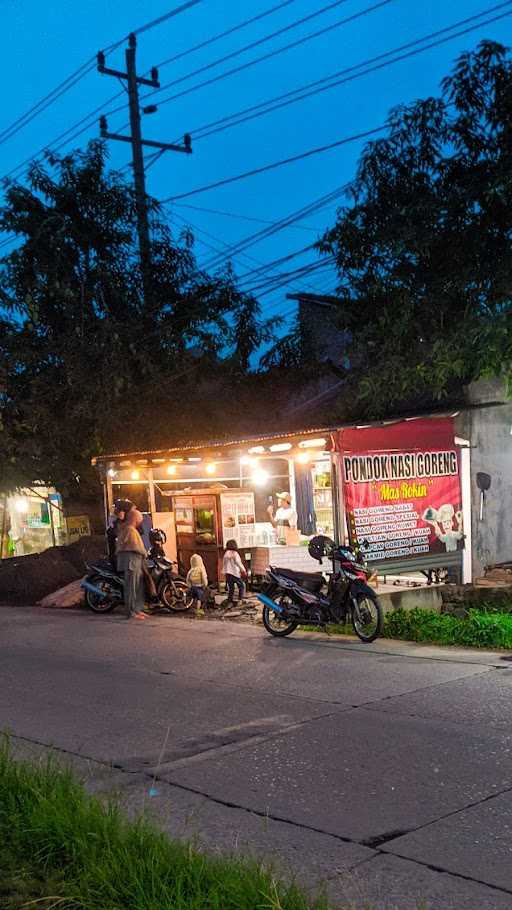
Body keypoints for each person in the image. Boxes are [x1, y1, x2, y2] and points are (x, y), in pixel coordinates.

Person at [114, 499, 147, 621]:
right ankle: (131, 611)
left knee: (136, 586)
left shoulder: (127, 528)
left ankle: (136, 610)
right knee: (131, 587)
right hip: (131, 561)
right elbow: (134, 546)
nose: (139, 523)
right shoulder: (129, 530)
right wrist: (144, 553)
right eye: (138, 520)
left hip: (133, 561)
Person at [223, 539, 247, 605]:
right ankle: (240, 600)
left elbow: (224, 564)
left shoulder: (226, 554)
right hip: (235, 573)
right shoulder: (235, 554)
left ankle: (230, 600)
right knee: (241, 586)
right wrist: (243, 570)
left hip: (228, 573)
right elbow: (238, 563)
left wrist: (224, 572)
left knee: (231, 588)